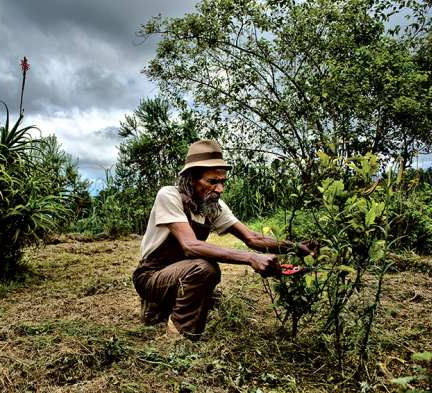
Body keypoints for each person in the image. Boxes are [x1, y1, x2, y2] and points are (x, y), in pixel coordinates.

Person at [132, 140, 315, 340]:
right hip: (152, 276)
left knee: (203, 274)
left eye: (222, 182)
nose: (220, 189)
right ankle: (179, 337)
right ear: (192, 178)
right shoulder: (169, 196)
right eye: (212, 181)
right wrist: (251, 258)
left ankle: (173, 306)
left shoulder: (212, 205)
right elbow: (190, 246)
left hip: (181, 273)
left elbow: (252, 238)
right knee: (204, 269)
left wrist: (296, 248)